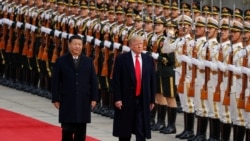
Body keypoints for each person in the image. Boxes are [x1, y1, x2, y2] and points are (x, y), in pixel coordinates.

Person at [51, 35, 98, 141]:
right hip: (67, 100)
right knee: (67, 130)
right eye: (75, 44)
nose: (77, 47)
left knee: (81, 131)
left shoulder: (88, 61)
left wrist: (94, 98)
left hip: (83, 100)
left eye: (80, 44)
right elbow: (55, 81)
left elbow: (94, 81)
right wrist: (55, 98)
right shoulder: (61, 61)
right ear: (69, 45)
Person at [112, 35, 156, 141]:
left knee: (141, 130)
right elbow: (116, 80)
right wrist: (117, 98)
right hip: (126, 100)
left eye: (141, 44)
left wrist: (152, 99)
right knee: (125, 131)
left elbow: (152, 81)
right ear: (131, 45)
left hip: (142, 99)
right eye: (137, 44)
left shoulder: (148, 59)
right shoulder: (122, 59)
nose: (140, 46)